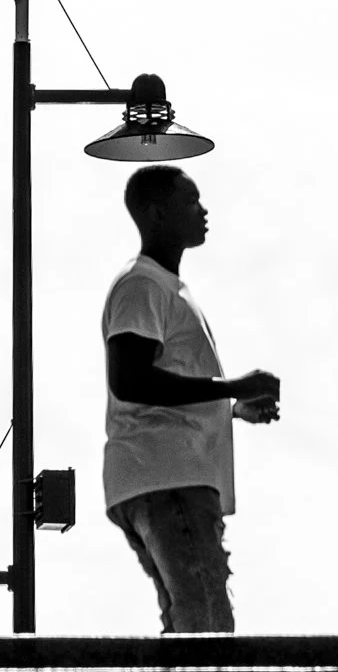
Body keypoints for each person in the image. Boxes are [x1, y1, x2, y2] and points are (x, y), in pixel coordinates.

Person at [101, 164, 280, 635]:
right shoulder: (142, 284)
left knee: (189, 619)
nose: (203, 211)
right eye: (191, 200)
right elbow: (130, 380)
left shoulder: (166, 287)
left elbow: (156, 385)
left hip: (166, 476)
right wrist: (233, 387)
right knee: (205, 620)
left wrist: (231, 409)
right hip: (167, 476)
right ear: (156, 213)